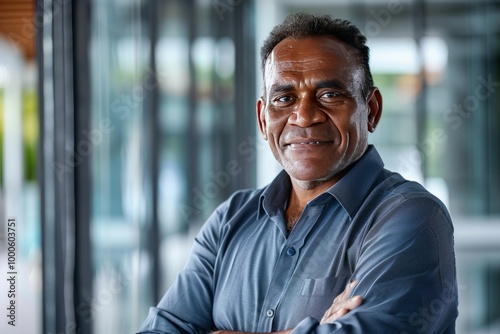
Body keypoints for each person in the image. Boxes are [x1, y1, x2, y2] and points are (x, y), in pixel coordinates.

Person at [137, 12, 458, 334]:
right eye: (285, 98)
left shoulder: (410, 216)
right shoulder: (230, 220)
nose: (304, 117)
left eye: (330, 95)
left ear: (371, 110)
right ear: (264, 120)